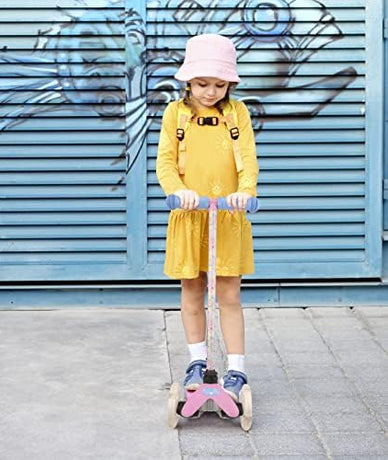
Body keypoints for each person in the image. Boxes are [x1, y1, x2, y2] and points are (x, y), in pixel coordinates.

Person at [156, 34, 259, 401]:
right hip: (189, 215)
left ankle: (237, 369)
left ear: (230, 83)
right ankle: (196, 361)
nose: (210, 92)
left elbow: (248, 159)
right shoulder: (176, 114)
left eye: (219, 84)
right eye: (202, 84)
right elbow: (166, 161)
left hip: (227, 216)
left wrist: (245, 192)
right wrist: (176, 189)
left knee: (229, 293)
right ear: (188, 80)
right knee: (192, 289)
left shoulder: (237, 113)